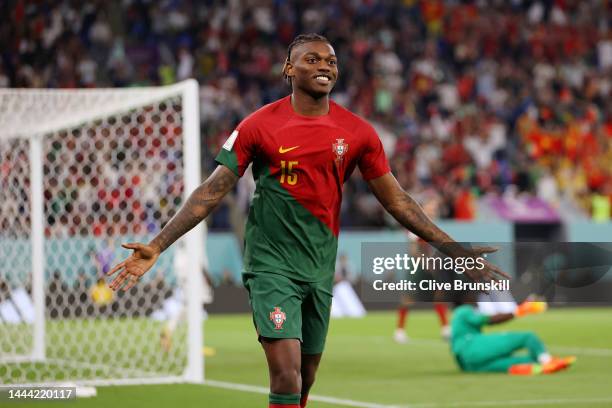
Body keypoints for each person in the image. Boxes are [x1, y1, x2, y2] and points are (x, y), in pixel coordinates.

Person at [108, 33, 507, 408]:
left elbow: (399, 202)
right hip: (270, 266)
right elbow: (212, 190)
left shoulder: (358, 133)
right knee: (285, 376)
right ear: (288, 69)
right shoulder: (257, 125)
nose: (325, 66)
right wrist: (159, 244)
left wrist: (456, 253)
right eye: (312, 59)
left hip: (319, 268)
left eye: (331, 61)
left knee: (306, 377)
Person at [451, 291, 575, 375]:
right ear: (465, 297)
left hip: (469, 364)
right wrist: (520, 310)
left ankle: (539, 367)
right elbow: (489, 320)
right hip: (472, 348)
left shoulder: (457, 315)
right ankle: (547, 361)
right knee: (527, 337)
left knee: (513, 364)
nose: (477, 297)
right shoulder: (464, 310)